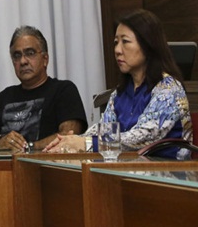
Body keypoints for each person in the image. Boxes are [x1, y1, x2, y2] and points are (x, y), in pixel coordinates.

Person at [44, 9, 192, 159]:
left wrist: (86, 143)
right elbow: (103, 131)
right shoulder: (119, 94)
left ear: (148, 45)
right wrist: (70, 141)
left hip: (168, 170)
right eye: (116, 43)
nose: (117, 50)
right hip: (128, 168)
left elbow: (141, 138)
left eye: (125, 42)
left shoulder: (169, 89)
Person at [0, 26, 87, 151]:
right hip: (6, 163)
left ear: (45, 59)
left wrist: (27, 147)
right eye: (17, 55)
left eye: (30, 53)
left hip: (45, 162)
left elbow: (68, 136)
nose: (23, 61)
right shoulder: (6, 95)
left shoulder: (63, 90)